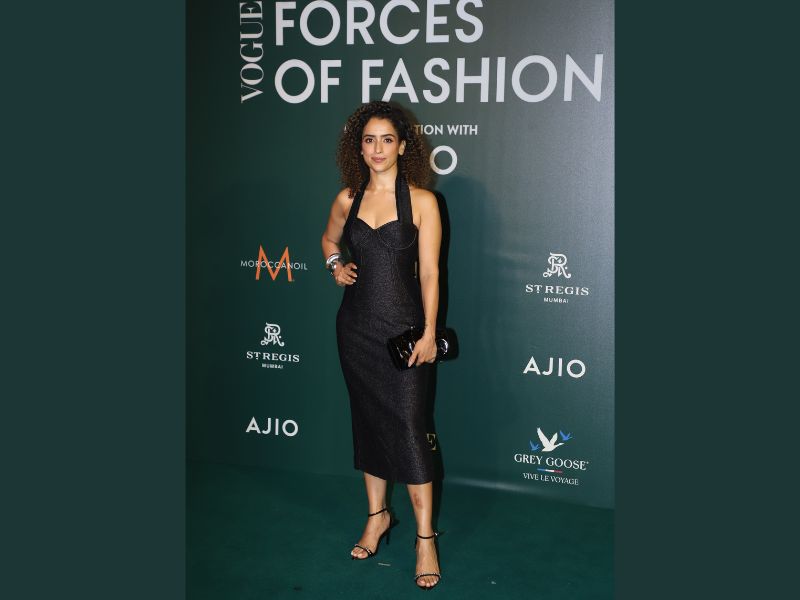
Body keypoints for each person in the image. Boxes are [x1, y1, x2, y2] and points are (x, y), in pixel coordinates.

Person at [321, 101, 443, 590]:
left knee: (410, 428)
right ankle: (377, 517)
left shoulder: (423, 202)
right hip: (356, 329)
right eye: (369, 140)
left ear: (403, 146)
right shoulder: (347, 199)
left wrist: (430, 332)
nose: (377, 148)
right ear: (359, 147)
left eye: (386, 139)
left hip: (406, 334)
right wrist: (335, 267)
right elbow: (329, 241)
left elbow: (430, 273)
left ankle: (425, 539)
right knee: (368, 422)